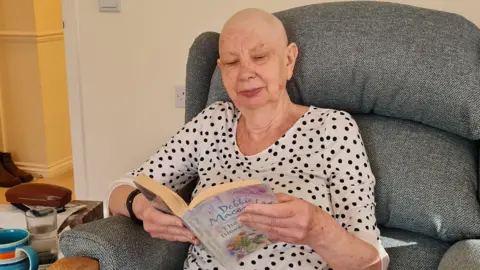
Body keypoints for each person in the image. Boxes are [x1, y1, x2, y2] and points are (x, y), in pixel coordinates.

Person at [107, 8, 389, 270]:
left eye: (260, 57)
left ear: (288, 60)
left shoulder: (332, 129)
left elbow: (372, 262)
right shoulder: (212, 121)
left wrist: (319, 231)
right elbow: (120, 189)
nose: (245, 73)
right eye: (232, 62)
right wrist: (141, 209)